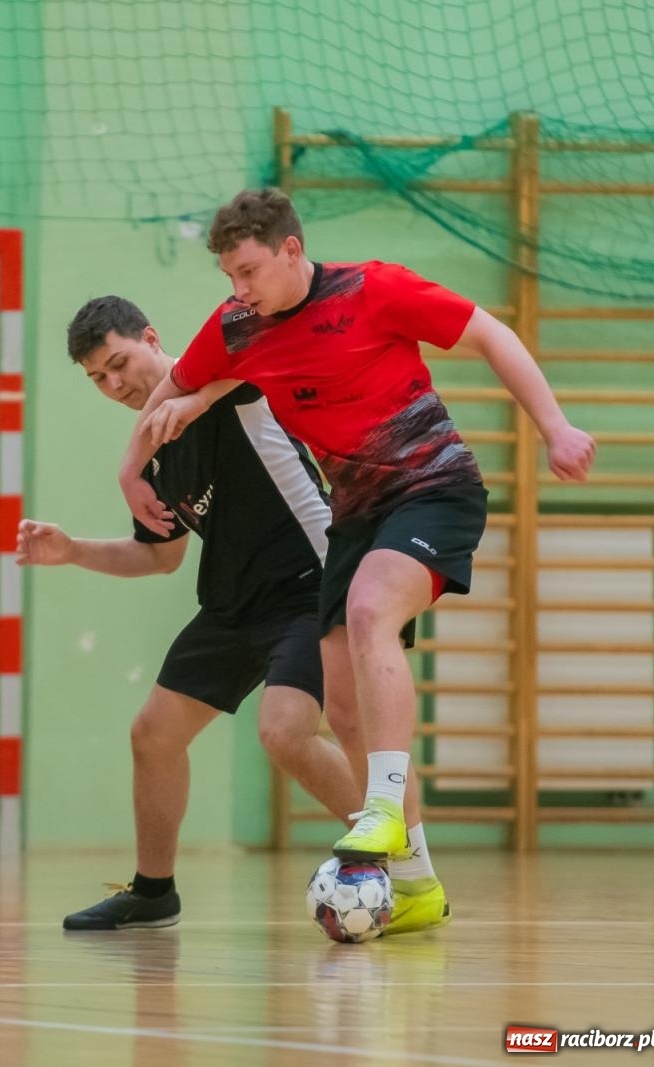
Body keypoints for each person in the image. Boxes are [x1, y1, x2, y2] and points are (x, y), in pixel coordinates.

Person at [119, 188, 595, 877]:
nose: (238, 287)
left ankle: (383, 808)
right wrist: (131, 472)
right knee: (342, 704)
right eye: (228, 276)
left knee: (372, 609)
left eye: (248, 270)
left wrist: (556, 427)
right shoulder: (236, 325)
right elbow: (172, 391)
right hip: (357, 514)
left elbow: (491, 333)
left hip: (434, 487)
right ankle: (417, 880)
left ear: (291, 250)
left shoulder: (373, 289)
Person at [30, 296, 420, 932]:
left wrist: (137, 449)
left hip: (310, 583)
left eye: (120, 364)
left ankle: (403, 867)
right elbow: (157, 558)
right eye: (98, 378)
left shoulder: (222, 387)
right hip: (234, 601)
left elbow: (260, 345)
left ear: (153, 338)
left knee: (285, 732)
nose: (115, 385)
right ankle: (154, 893)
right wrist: (72, 550)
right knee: (152, 735)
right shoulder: (156, 457)